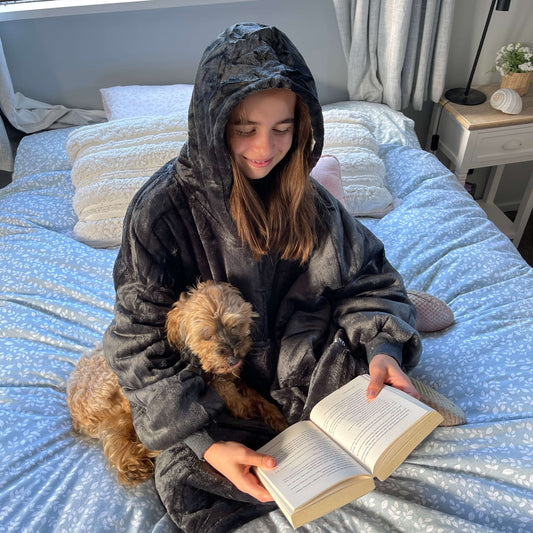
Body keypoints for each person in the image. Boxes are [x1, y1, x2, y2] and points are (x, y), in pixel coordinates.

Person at [103, 22, 421, 532]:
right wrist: (205, 443)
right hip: (212, 384)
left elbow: (368, 277)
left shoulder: (308, 199)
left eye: (283, 127)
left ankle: (391, 358)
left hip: (301, 357)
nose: (264, 148)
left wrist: (383, 349)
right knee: (187, 477)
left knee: (380, 390)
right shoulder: (159, 213)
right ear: (213, 123)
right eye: (245, 127)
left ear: (303, 124)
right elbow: (136, 341)